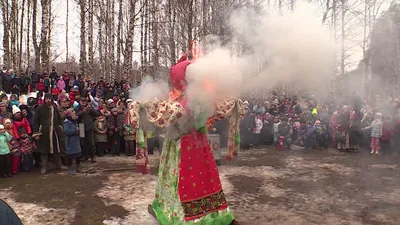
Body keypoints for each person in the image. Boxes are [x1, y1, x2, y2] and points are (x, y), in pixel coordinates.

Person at [129, 59, 242, 225]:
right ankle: (214, 213)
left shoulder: (181, 104)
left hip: (181, 146)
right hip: (199, 145)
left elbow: (161, 114)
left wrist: (139, 106)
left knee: (180, 180)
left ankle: (184, 216)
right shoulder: (203, 98)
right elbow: (221, 107)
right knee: (206, 178)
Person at [32, 93, 64, 174]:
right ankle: (44, 167)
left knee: (56, 149)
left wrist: (60, 127)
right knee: (44, 151)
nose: (48, 100)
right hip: (44, 133)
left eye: (49, 98)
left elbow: (59, 119)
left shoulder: (55, 108)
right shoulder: (40, 109)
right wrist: (36, 133)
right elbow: (35, 121)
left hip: (54, 132)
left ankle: (59, 165)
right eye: (47, 99)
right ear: (44, 99)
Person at [75, 98, 100, 162]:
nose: (83, 102)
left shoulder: (89, 107)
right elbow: (75, 116)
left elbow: (97, 114)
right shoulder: (77, 108)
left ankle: (93, 156)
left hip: (89, 126)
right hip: (81, 126)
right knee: (83, 143)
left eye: (84, 101)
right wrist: (83, 111)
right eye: (82, 101)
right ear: (79, 101)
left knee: (91, 142)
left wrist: (91, 109)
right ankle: (84, 156)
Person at [63, 109, 82, 175]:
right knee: (70, 156)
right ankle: (69, 169)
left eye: (75, 113)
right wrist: (75, 130)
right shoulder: (67, 122)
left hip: (76, 140)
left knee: (78, 155)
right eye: (73, 113)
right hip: (70, 141)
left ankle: (78, 167)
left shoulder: (75, 121)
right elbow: (66, 131)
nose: (74, 114)